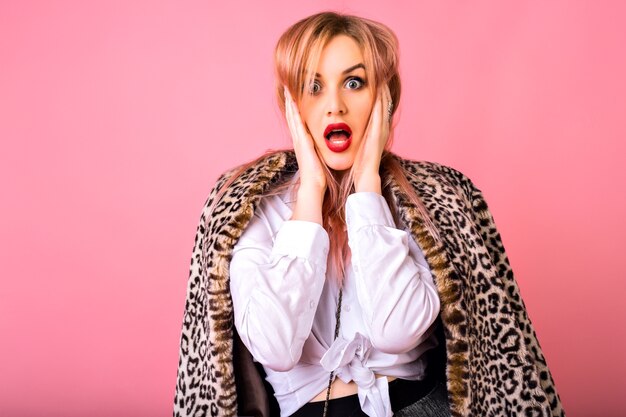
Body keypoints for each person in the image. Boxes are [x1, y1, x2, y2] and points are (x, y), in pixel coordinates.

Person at [173, 11, 564, 417]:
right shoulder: (250, 207)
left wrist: (367, 191)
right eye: (313, 86)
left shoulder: (433, 201)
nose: (335, 106)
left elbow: (397, 332)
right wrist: (310, 193)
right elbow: (275, 348)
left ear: (384, 97)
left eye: (354, 83)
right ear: (291, 104)